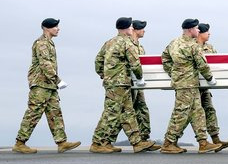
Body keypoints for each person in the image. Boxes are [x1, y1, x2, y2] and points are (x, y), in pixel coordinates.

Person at [13, 18, 81, 154]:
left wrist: (54, 82)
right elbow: (45, 64)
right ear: (47, 28)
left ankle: (62, 143)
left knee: (55, 113)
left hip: (49, 85)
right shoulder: (42, 43)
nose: (58, 28)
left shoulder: (49, 43)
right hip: (40, 85)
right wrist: (58, 80)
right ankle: (20, 143)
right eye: (55, 26)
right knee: (33, 113)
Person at [90, 17, 155, 153]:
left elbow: (98, 61)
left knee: (127, 112)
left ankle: (136, 143)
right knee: (111, 113)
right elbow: (135, 63)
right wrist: (140, 78)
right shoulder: (127, 43)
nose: (132, 29)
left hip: (113, 82)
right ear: (127, 28)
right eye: (131, 27)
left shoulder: (109, 42)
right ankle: (97, 143)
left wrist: (104, 74)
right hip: (121, 83)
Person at [159, 19, 222, 154]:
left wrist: (174, 72)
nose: (198, 31)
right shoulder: (193, 45)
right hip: (188, 84)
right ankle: (168, 143)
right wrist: (210, 79)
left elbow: (164, 58)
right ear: (190, 30)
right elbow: (202, 64)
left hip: (184, 83)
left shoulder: (174, 43)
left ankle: (203, 142)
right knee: (180, 113)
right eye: (196, 29)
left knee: (197, 112)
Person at [196, 23, 228, 151]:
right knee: (191, 114)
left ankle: (215, 139)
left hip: (205, 86)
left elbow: (216, 64)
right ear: (200, 33)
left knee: (210, 110)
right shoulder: (191, 46)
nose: (209, 34)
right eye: (207, 32)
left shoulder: (210, 48)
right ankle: (171, 140)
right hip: (192, 86)